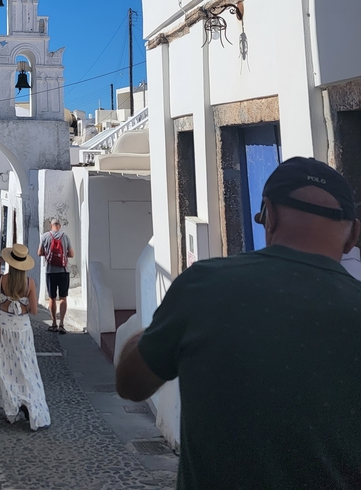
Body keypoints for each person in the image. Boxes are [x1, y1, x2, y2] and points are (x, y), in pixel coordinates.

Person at [116, 156, 361, 490]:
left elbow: (130, 383)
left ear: (269, 216)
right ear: (353, 235)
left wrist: (167, 325)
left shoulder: (203, 285)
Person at [0, 244, 50, 431]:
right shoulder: (29, 283)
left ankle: (11, 405)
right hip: (22, 329)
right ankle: (30, 401)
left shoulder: (3, 280)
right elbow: (33, 311)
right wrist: (21, 305)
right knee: (26, 366)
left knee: (5, 366)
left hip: (5, 326)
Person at [38, 218, 74, 333]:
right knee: (63, 297)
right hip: (64, 271)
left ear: (51, 225)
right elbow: (72, 254)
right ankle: (62, 324)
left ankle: (53, 324)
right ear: (59, 226)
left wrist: (48, 253)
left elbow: (39, 253)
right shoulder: (65, 236)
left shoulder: (45, 236)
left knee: (52, 298)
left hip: (50, 271)